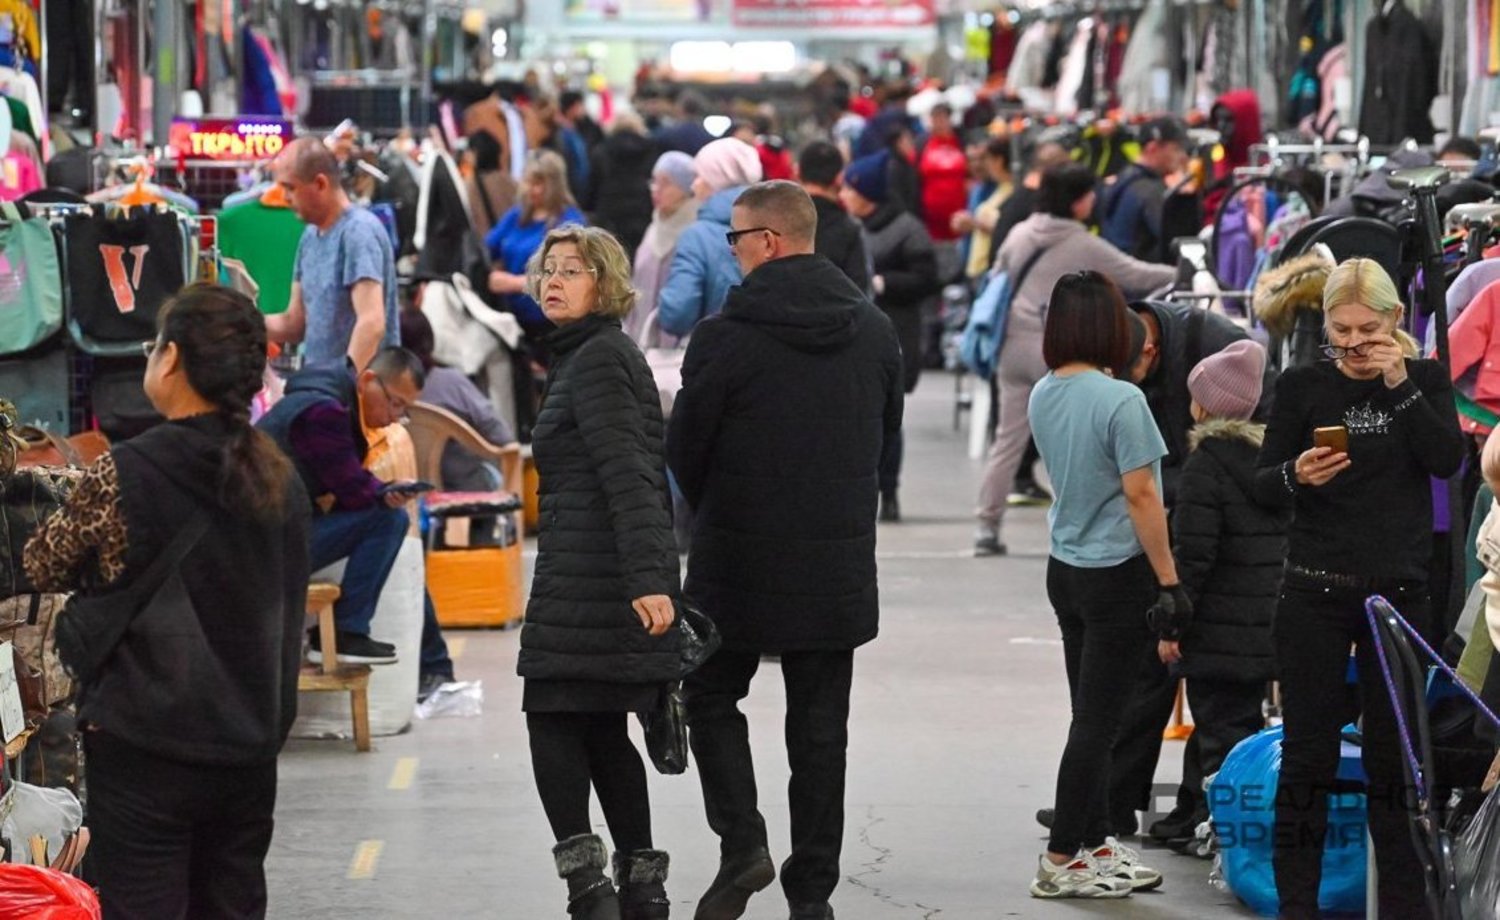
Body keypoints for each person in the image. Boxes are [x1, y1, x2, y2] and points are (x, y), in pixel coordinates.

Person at [24, 284, 309, 919]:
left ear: (173, 358)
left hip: (145, 743)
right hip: (248, 745)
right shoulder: (277, 476)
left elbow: (44, 560)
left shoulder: (127, 471)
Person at [667, 180, 903, 920]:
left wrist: (720, 508)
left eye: (736, 239)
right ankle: (812, 895)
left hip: (735, 556)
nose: (731, 253)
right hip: (834, 561)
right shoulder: (873, 331)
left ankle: (743, 842)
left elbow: (685, 450)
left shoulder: (723, 337)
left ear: (768, 242)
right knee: (820, 731)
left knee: (708, 695)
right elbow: (883, 434)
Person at [1253, 258, 1464, 919]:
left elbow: (1447, 461)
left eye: (1366, 329)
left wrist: (1399, 382)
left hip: (1397, 596)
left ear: (1395, 321)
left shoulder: (1423, 379)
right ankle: (1296, 906)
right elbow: (1262, 484)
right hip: (1313, 588)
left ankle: (1403, 906)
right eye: (1340, 330)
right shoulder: (1301, 385)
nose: (1351, 343)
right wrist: (1297, 474)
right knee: (1306, 756)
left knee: (1395, 762)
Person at [517, 225, 681, 920]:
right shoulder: (586, 354)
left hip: (595, 577)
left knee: (552, 719)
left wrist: (650, 577)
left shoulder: (599, 359)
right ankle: (641, 890)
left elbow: (634, 473)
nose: (554, 280)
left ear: (605, 284)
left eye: (573, 271)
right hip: (589, 571)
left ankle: (591, 891)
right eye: (548, 269)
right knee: (599, 728)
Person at [1026, 270, 1177, 900]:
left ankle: (1092, 841)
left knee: (1087, 714)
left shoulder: (1043, 392)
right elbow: (1143, 495)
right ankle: (1063, 854)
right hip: (1119, 574)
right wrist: (1169, 580)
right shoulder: (1123, 402)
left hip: (1066, 569)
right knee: (1099, 724)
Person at [973, 163, 1177, 556]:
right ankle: (1081, 530)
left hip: (1011, 345)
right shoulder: (1081, 243)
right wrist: (1185, 269)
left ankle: (986, 526)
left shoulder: (1020, 232)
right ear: (1080, 200)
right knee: (1077, 446)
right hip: (1057, 347)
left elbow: (997, 275)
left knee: (1007, 442)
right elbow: (1135, 274)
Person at [1148, 340, 1288, 847]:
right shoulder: (1272, 461)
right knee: (1233, 726)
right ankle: (1189, 815)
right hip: (1261, 627)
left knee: (1219, 737)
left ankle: (1225, 836)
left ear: (1204, 405)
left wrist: (1172, 626)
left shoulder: (1206, 466)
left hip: (1215, 629)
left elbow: (1194, 557)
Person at [257, 347, 427, 663]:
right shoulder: (323, 411)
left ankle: (345, 630)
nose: (394, 417)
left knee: (384, 515)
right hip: (263, 548)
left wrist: (381, 492)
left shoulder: (320, 398)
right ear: (368, 381)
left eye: (403, 409)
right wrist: (383, 492)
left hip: (270, 535)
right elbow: (351, 488)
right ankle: (345, 632)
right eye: (395, 402)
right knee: (388, 521)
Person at [399, 306, 516, 701]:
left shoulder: (379, 388)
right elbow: (500, 435)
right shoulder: (451, 382)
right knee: (494, 471)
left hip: (408, 494)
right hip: (463, 490)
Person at [841, 150, 940, 522]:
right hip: (858, 331)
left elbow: (928, 278)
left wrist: (884, 283)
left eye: (850, 188)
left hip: (896, 329)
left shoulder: (907, 228)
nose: (844, 195)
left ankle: (890, 488)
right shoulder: (850, 226)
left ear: (867, 192)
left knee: (889, 418)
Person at [266, 137, 400, 371]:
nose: (285, 198)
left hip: (353, 398)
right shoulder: (309, 237)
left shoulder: (358, 232)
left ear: (320, 183)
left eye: (290, 188)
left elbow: (372, 323)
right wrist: (240, 320)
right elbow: (294, 323)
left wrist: (342, 385)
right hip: (322, 393)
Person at [656, 137, 763, 338]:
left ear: (717, 180)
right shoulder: (773, 225)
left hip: (717, 353)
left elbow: (677, 315)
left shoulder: (697, 237)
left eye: (699, 176)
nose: (694, 186)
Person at [485, 149, 587, 339]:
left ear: (555, 185)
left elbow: (567, 277)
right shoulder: (517, 215)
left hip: (551, 325)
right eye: (529, 182)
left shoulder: (570, 223)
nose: (532, 189)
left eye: (539, 183)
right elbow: (487, 248)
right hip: (512, 322)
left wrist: (514, 283)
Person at [628, 151, 700, 340]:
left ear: (686, 189)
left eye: (666, 183)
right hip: (640, 340)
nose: (656, 189)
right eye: (654, 181)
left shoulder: (695, 233)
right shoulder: (653, 227)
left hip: (677, 347)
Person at [1099, 117, 1190, 264]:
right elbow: (1177, 242)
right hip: (1144, 280)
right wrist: (1183, 197)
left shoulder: (1121, 179)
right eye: (1176, 149)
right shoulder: (1150, 191)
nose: (1183, 157)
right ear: (1152, 148)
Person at [797, 140, 871, 293]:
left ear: (798, 174)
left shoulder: (780, 222)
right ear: (839, 178)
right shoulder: (850, 229)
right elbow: (862, 292)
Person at [581, 112, 657, 259]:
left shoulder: (601, 151)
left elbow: (591, 189)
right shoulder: (650, 151)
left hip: (609, 217)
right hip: (641, 216)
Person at [951, 136, 1014, 280]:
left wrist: (974, 224)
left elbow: (1004, 226)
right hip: (972, 264)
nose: (976, 165)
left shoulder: (1005, 188)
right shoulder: (976, 189)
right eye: (971, 160)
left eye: (982, 158)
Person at [916, 103, 969, 244]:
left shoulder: (962, 142)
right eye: (935, 120)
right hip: (931, 214)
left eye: (942, 119)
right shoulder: (923, 144)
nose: (938, 124)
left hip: (958, 211)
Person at [463, 131, 519, 242]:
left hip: (490, 248)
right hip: (512, 246)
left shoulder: (471, 185)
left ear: (475, 154)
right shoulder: (510, 181)